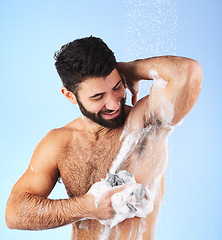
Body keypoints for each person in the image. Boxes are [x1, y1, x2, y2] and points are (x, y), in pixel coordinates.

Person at [5, 36, 202, 240]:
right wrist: (88, 207)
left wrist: (131, 69)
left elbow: (189, 72)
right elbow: (15, 213)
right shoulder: (59, 143)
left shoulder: (144, 124)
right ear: (70, 96)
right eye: (98, 97)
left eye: (117, 87)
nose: (114, 104)